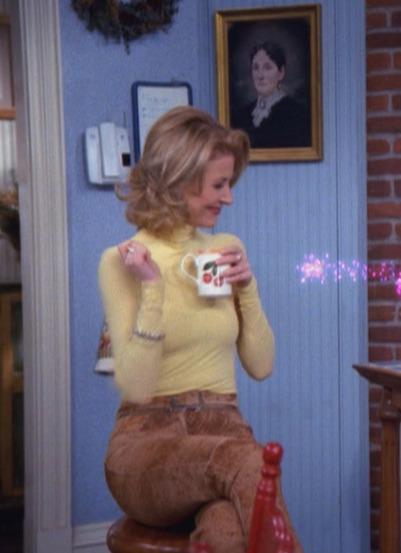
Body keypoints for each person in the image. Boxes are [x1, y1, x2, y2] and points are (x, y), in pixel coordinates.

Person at [98, 106, 303, 553]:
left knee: (228, 533)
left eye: (229, 184)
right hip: (146, 439)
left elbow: (261, 367)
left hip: (223, 426)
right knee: (249, 461)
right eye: (218, 185)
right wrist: (152, 289)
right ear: (179, 180)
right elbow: (135, 383)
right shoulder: (122, 261)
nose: (228, 199)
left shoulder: (224, 250)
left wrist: (246, 289)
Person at [232, 40, 311, 149]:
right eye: (256, 68)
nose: (260, 76)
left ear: (281, 72)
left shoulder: (298, 114)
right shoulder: (240, 115)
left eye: (267, 68)